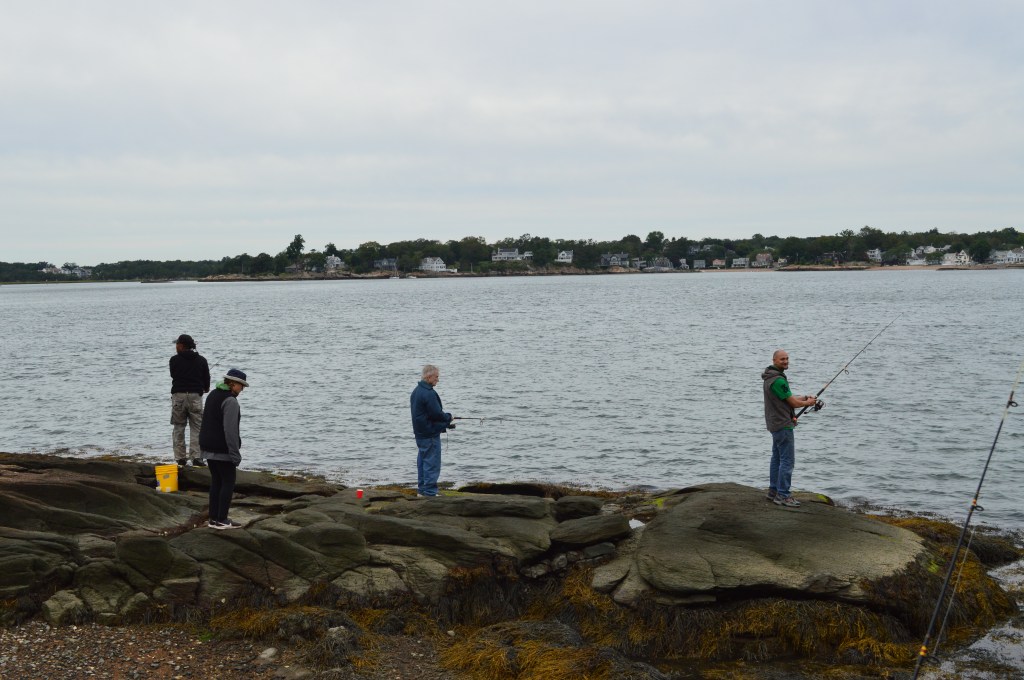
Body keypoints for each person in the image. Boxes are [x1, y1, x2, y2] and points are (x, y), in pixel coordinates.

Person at [762, 350, 816, 508]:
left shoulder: (770, 377)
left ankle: (773, 491)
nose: (785, 361)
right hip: (782, 425)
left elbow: (787, 398)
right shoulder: (778, 380)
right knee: (787, 461)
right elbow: (793, 403)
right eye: (782, 359)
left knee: (777, 458)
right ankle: (783, 495)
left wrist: (804, 397)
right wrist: (808, 403)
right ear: (774, 360)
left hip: (774, 424)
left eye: (787, 359)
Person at [199, 368, 249, 529]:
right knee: (228, 482)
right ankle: (222, 519)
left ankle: (213, 519)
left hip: (207, 446)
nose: (242, 389)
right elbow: (230, 431)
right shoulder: (230, 401)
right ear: (233, 383)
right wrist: (235, 454)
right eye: (241, 385)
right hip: (222, 449)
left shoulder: (213, 394)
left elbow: (206, 421)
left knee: (216, 482)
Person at [410, 364, 454, 497]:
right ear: (428, 377)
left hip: (420, 434)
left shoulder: (416, 391)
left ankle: (422, 491)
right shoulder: (428, 393)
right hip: (429, 434)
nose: (438, 380)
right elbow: (436, 414)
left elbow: (427, 414)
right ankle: (429, 493)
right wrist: (448, 417)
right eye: (436, 377)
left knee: (422, 462)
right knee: (432, 463)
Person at [169, 334, 210, 467]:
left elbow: (173, 375)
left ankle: (180, 458)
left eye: (177, 344)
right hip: (195, 396)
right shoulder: (202, 360)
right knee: (197, 427)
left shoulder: (174, 360)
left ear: (181, 346)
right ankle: (196, 457)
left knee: (178, 427)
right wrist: (205, 388)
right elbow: (206, 379)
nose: (176, 347)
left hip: (178, 396)